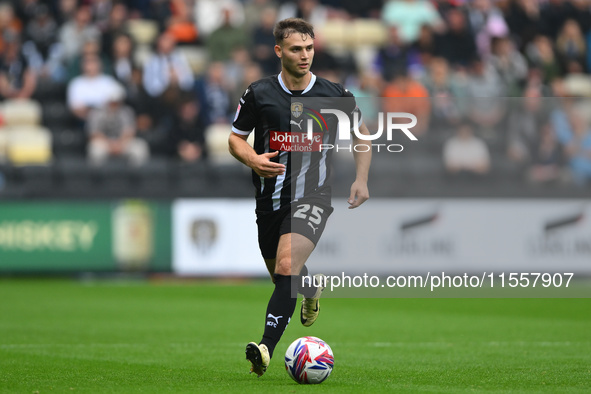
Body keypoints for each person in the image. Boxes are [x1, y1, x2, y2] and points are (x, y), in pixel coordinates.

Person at [228, 18, 371, 377]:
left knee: (286, 268)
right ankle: (311, 287)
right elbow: (235, 138)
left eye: (309, 48)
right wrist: (252, 158)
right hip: (270, 200)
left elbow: (362, 136)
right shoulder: (258, 93)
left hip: (314, 197)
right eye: (296, 49)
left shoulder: (335, 94)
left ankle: (265, 348)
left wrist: (361, 179)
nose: (305, 55)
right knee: (284, 277)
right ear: (279, 51)